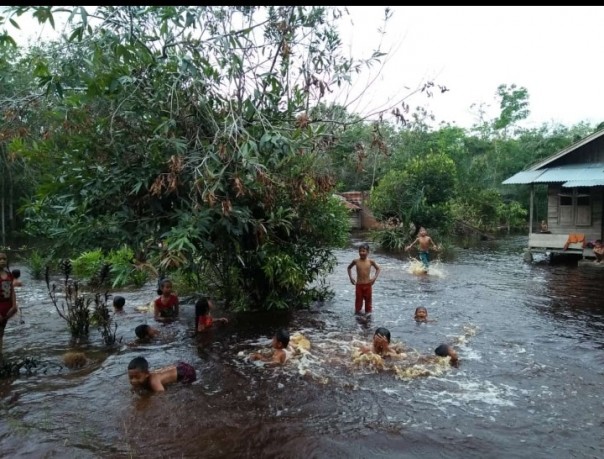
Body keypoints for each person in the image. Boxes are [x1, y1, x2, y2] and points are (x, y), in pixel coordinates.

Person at [127, 356, 196, 392]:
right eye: (131, 377)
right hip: (178, 366)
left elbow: (161, 395)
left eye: (137, 377)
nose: (133, 381)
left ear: (147, 374)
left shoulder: (153, 381)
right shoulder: (142, 376)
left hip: (185, 372)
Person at [347, 243, 381, 315]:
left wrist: (374, 278)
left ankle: (368, 318)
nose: (361, 253)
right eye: (360, 251)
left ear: (368, 252)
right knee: (358, 303)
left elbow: (378, 269)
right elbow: (349, 267)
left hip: (368, 285)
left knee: (368, 304)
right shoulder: (356, 261)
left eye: (363, 251)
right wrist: (351, 278)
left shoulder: (371, 261)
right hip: (359, 285)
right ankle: (358, 317)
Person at [0, 252, 18, 354]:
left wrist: (14, 305)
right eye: (0, 259)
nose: (2, 261)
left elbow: (12, 291)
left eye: (4, 259)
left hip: (7, 309)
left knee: (1, 333)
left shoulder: (9, 275)